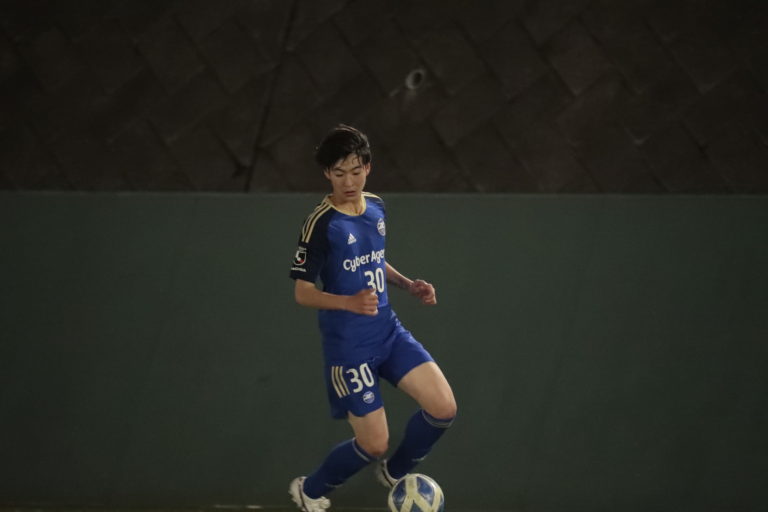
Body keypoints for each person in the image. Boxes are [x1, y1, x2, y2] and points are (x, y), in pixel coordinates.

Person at [288, 125, 457, 511]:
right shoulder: (321, 224)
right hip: (349, 347)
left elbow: (374, 258)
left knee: (443, 408)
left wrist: (407, 284)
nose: (349, 181)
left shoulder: (376, 206)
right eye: (339, 173)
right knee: (373, 443)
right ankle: (309, 490)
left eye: (355, 170)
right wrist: (348, 302)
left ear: (368, 167)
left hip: (388, 330)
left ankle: (395, 474)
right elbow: (302, 293)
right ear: (327, 174)